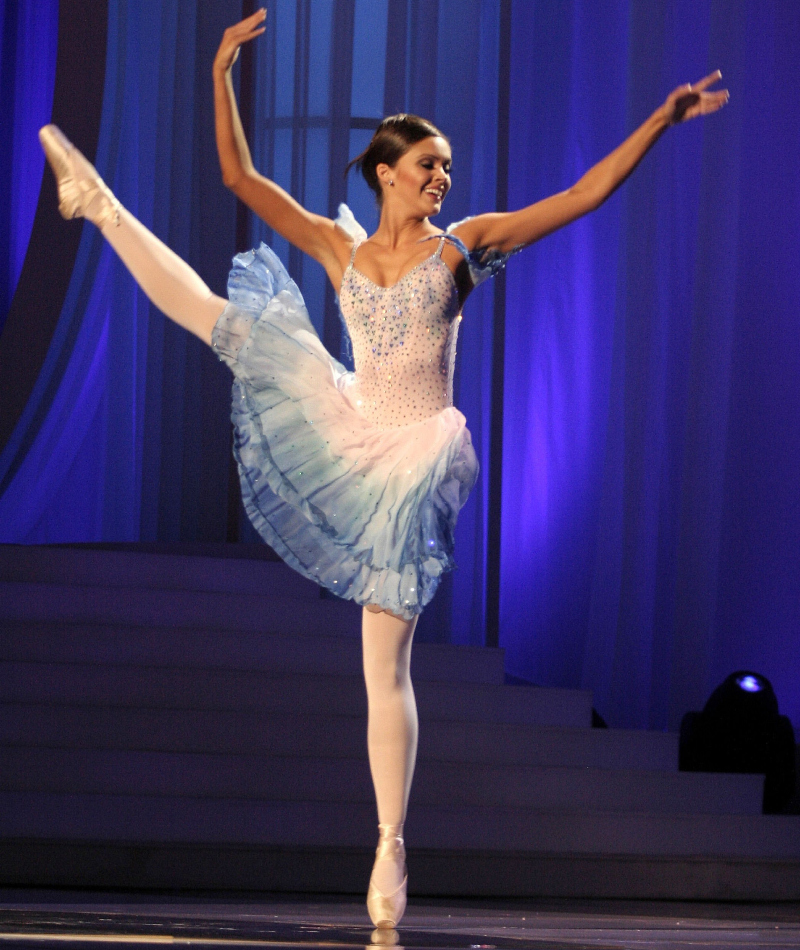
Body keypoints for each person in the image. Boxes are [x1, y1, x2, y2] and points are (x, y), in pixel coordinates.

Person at [38, 7, 727, 928]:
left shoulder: (467, 245)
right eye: (428, 165)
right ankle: (99, 203)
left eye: (446, 166)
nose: (443, 177)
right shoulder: (341, 245)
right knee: (220, 318)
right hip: (350, 418)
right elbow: (240, 177)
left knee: (383, 667)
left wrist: (655, 121)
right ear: (384, 173)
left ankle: (390, 842)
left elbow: (579, 197)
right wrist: (219, 74)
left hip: (413, 454)